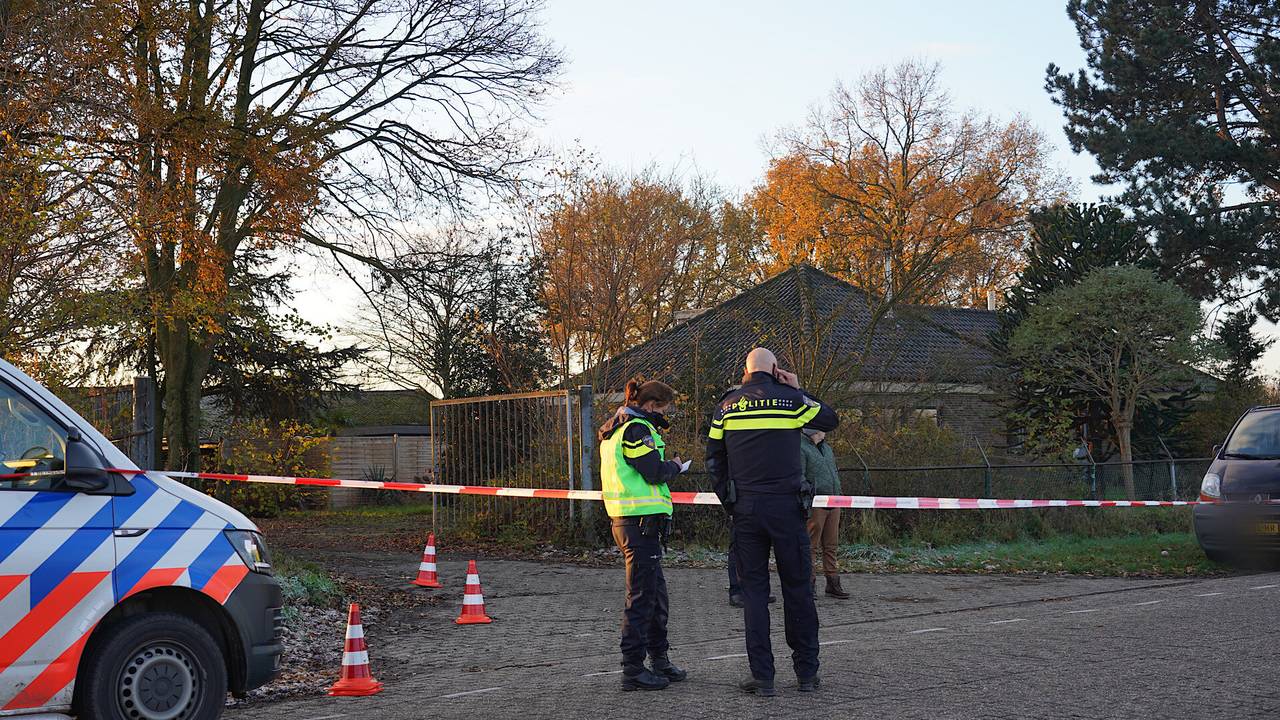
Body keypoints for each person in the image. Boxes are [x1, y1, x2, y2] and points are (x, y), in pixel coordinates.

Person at [706, 348, 839, 697]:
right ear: (776, 369)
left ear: (744, 370)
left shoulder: (727, 406)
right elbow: (830, 420)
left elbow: (714, 460)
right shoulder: (792, 401)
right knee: (798, 590)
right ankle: (807, 674)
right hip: (787, 508)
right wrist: (799, 389)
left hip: (747, 510)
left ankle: (762, 677)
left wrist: (730, 502)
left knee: (754, 594)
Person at [598, 377, 689, 691]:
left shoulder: (616, 427)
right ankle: (633, 670)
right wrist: (675, 466)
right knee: (641, 599)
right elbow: (653, 472)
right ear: (652, 405)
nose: (665, 415)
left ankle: (659, 661)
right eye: (664, 408)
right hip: (638, 524)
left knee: (655, 597)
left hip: (633, 523)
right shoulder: (636, 429)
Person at [803, 429, 850, 599]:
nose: (825, 431)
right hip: (815, 503)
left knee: (831, 545)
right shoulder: (801, 448)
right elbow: (800, 475)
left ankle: (832, 581)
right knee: (810, 546)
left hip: (834, 499)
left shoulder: (827, 448)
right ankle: (809, 583)